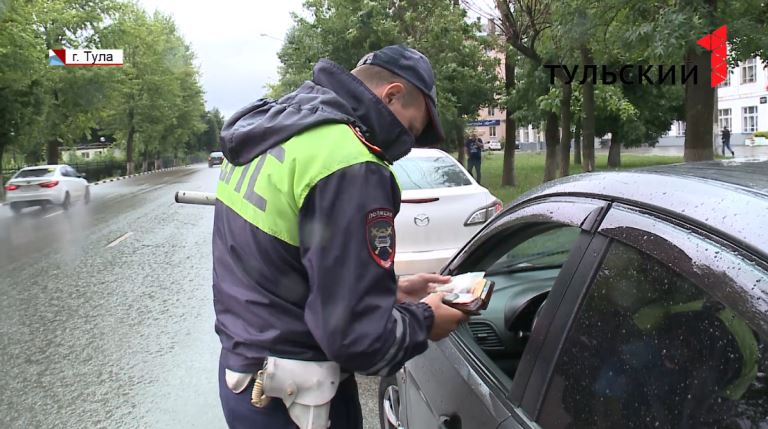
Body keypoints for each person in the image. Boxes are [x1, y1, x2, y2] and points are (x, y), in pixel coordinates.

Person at [212, 45, 468, 429]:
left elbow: (279, 259)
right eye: (410, 129)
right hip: (301, 402)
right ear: (392, 95)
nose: (406, 144)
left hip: (244, 379)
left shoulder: (279, 129)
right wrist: (426, 319)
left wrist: (386, 291)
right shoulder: (350, 163)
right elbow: (359, 340)